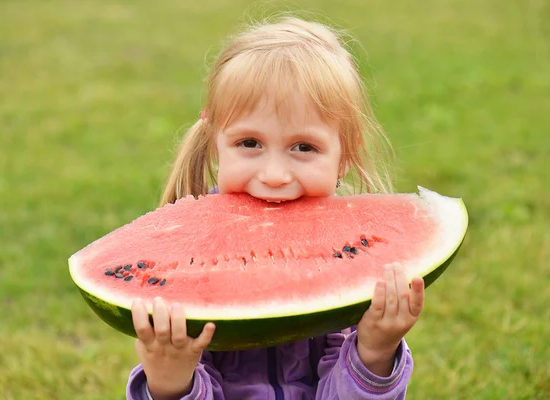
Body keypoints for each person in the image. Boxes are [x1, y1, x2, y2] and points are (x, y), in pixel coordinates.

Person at [126, 16, 425, 400]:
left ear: (345, 155)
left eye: (304, 147)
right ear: (215, 142)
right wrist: (170, 381)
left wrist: (374, 353)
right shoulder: (185, 260)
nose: (274, 175)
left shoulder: (357, 263)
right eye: (249, 143)